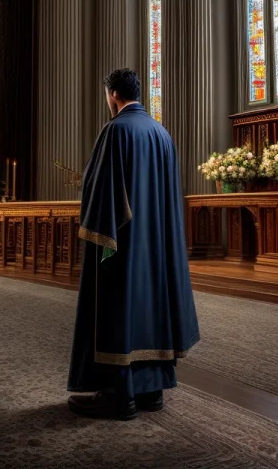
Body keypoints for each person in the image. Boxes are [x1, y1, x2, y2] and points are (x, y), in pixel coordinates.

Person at [67, 68, 199, 420]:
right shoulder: (162, 134)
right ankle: (151, 391)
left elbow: (100, 191)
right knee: (152, 311)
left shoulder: (116, 130)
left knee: (120, 311)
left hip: (123, 248)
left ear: (112, 94)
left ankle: (118, 396)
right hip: (158, 247)